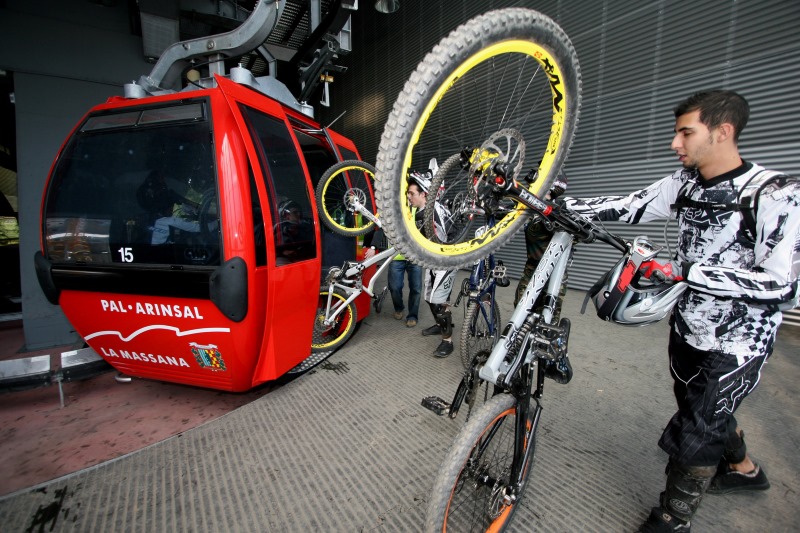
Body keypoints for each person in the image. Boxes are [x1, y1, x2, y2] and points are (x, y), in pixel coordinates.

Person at [561, 90, 800, 532]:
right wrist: (554, 206)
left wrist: (687, 270)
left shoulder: (776, 194)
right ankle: (746, 471)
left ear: (722, 132)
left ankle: (672, 519)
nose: (676, 143)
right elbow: (628, 206)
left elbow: (783, 287)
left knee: (698, 427)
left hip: (740, 341)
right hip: (687, 327)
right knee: (701, 409)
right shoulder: (684, 183)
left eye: (686, 132)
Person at [513, 171, 573, 383]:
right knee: (520, 316)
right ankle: (517, 359)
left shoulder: (561, 210)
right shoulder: (530, 208)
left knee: (548, 322)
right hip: (531, 272)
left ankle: (555, 358)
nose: (532, 186)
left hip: (552, 278)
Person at [407, 168, 458, 357]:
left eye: (412, 193)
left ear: (423, 194)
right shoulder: (423, 211)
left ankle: (448, 341)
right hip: (433, 262)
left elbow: (446, 238)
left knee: (439, 301)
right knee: (429, 297)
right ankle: (440, 325)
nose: (409, 196)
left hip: (445, 261)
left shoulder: (432, 211)